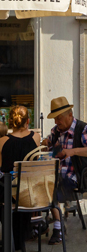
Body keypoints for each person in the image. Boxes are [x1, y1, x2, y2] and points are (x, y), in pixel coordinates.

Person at [42, 96, 87, 244]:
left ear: (70, 115)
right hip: (56, 175)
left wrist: (72, 151)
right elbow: (49, 146)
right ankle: (34, 224)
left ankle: (58, 228)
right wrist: (46, 143)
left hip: (77, 178)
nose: (56, 122)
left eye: (59, 118)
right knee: (38, 183)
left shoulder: (82, 128)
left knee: (52, 186)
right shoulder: (56, 131)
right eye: (54, 119)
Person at [0, 106, 40, 249]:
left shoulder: (1, 142)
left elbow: (2, 167)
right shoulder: (36, 137)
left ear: (10, 122)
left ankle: (10, 239)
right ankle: (20, 238)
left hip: (9, 191)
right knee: (19, 190)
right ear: (28, 121)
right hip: (30, 190)